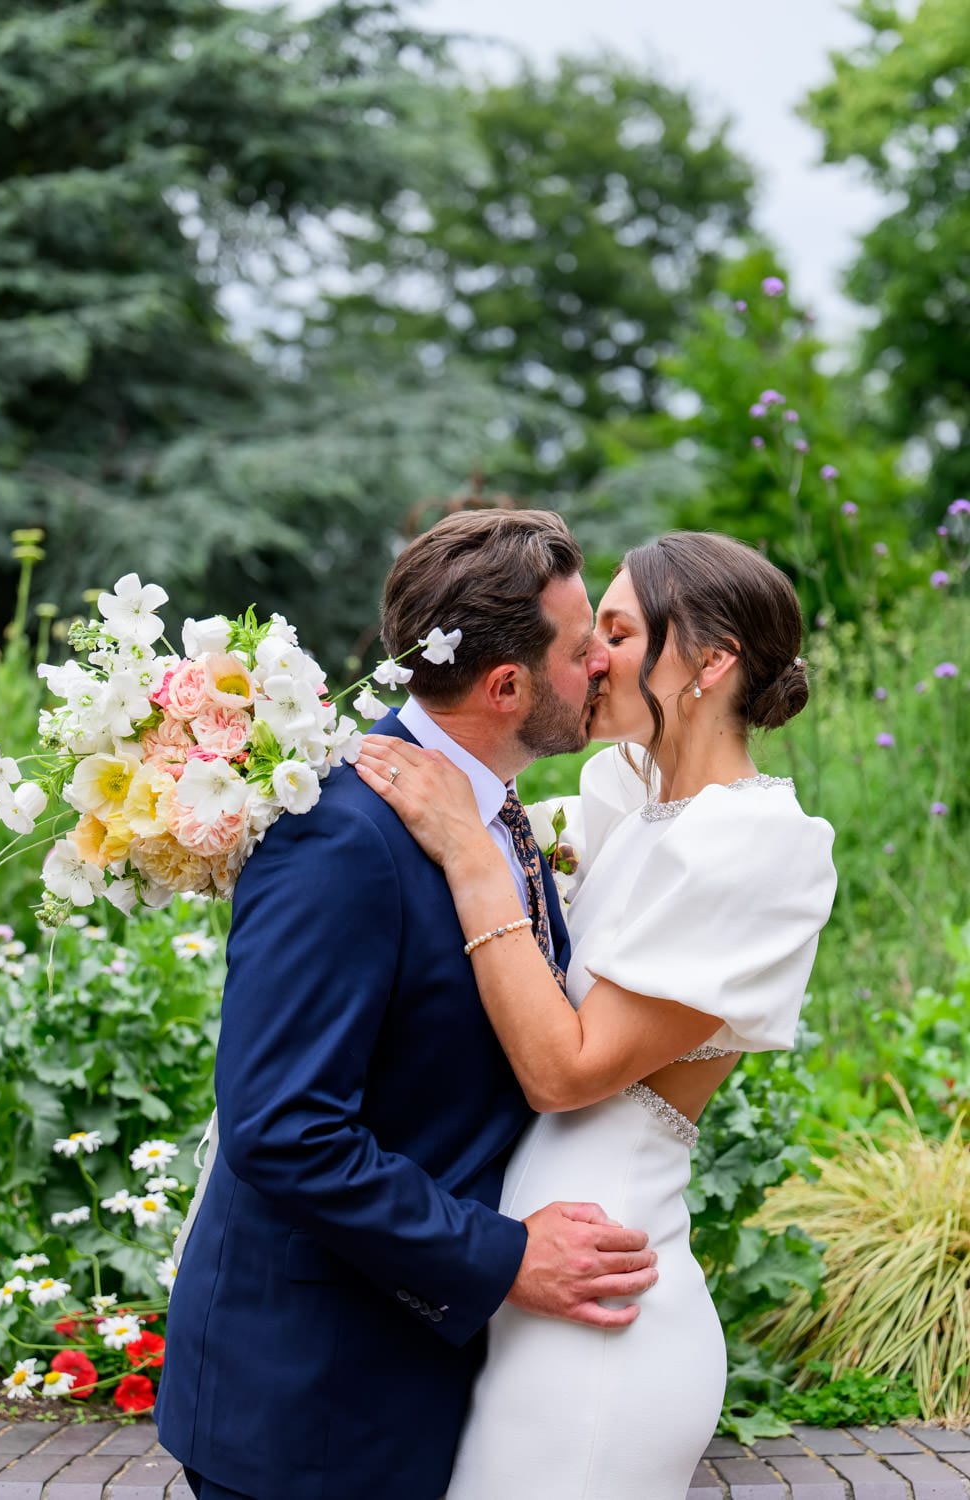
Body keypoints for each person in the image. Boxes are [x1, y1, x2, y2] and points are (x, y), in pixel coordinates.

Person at [154, 509, 658, 1500]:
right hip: (316, 1403)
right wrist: (503, 1256)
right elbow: (283, 1129)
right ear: (506, 687)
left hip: (409, 1375)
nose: (604, 659)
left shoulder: (488, 817)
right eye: (579, 646)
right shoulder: (343, 838)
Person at [356, 530, 838, 1500]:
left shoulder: (755, 843)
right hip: (531, 1279)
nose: (587, 659)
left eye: (615, 632)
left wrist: (469, 854)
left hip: (605, 1305)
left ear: (709, 660)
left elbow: (565, 1070)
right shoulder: (622, 794)